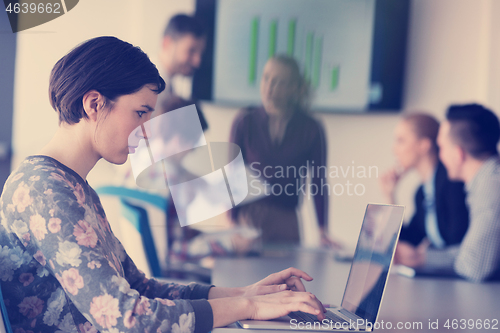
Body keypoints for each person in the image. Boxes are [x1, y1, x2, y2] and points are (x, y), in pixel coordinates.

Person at [0, 36, 327, 333]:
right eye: (140, 113)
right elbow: (129, 318)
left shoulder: (73, 188)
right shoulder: (45, 191)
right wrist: (249, 307)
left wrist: (244, 293)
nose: (148, 131)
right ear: (94, 104)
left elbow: (140, 287)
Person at [230, 55, 335, 249]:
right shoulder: (245, 121)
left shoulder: (312, 128)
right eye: (266, 78)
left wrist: (322, 231)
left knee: (285, 278)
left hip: (287, 222)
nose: (269, 87)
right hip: (249, 220)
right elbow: (231, 175)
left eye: (279, 82)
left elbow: (318, 182)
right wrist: (232, 225)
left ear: (294, 88)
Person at [399, 104, 500, 282]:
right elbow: (469, 253)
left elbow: (474, 265)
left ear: (458, 154)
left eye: (442, 148)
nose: (440, 155)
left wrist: (423, 257)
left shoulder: (492, 186)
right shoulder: (483, 182)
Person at [379, 113, 469, 263]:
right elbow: (409, 240)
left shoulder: (452, 184)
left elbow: (458, 243)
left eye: (401, 141)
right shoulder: (422, 193)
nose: (394, 149)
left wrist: (423, 256)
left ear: (423, 145)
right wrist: (389, 195)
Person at [158, 14, 206, 98]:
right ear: (167, 44)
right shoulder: (150, 86)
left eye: (200, 53)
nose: (197, 61)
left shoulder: (167, 86)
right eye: (191, 51)